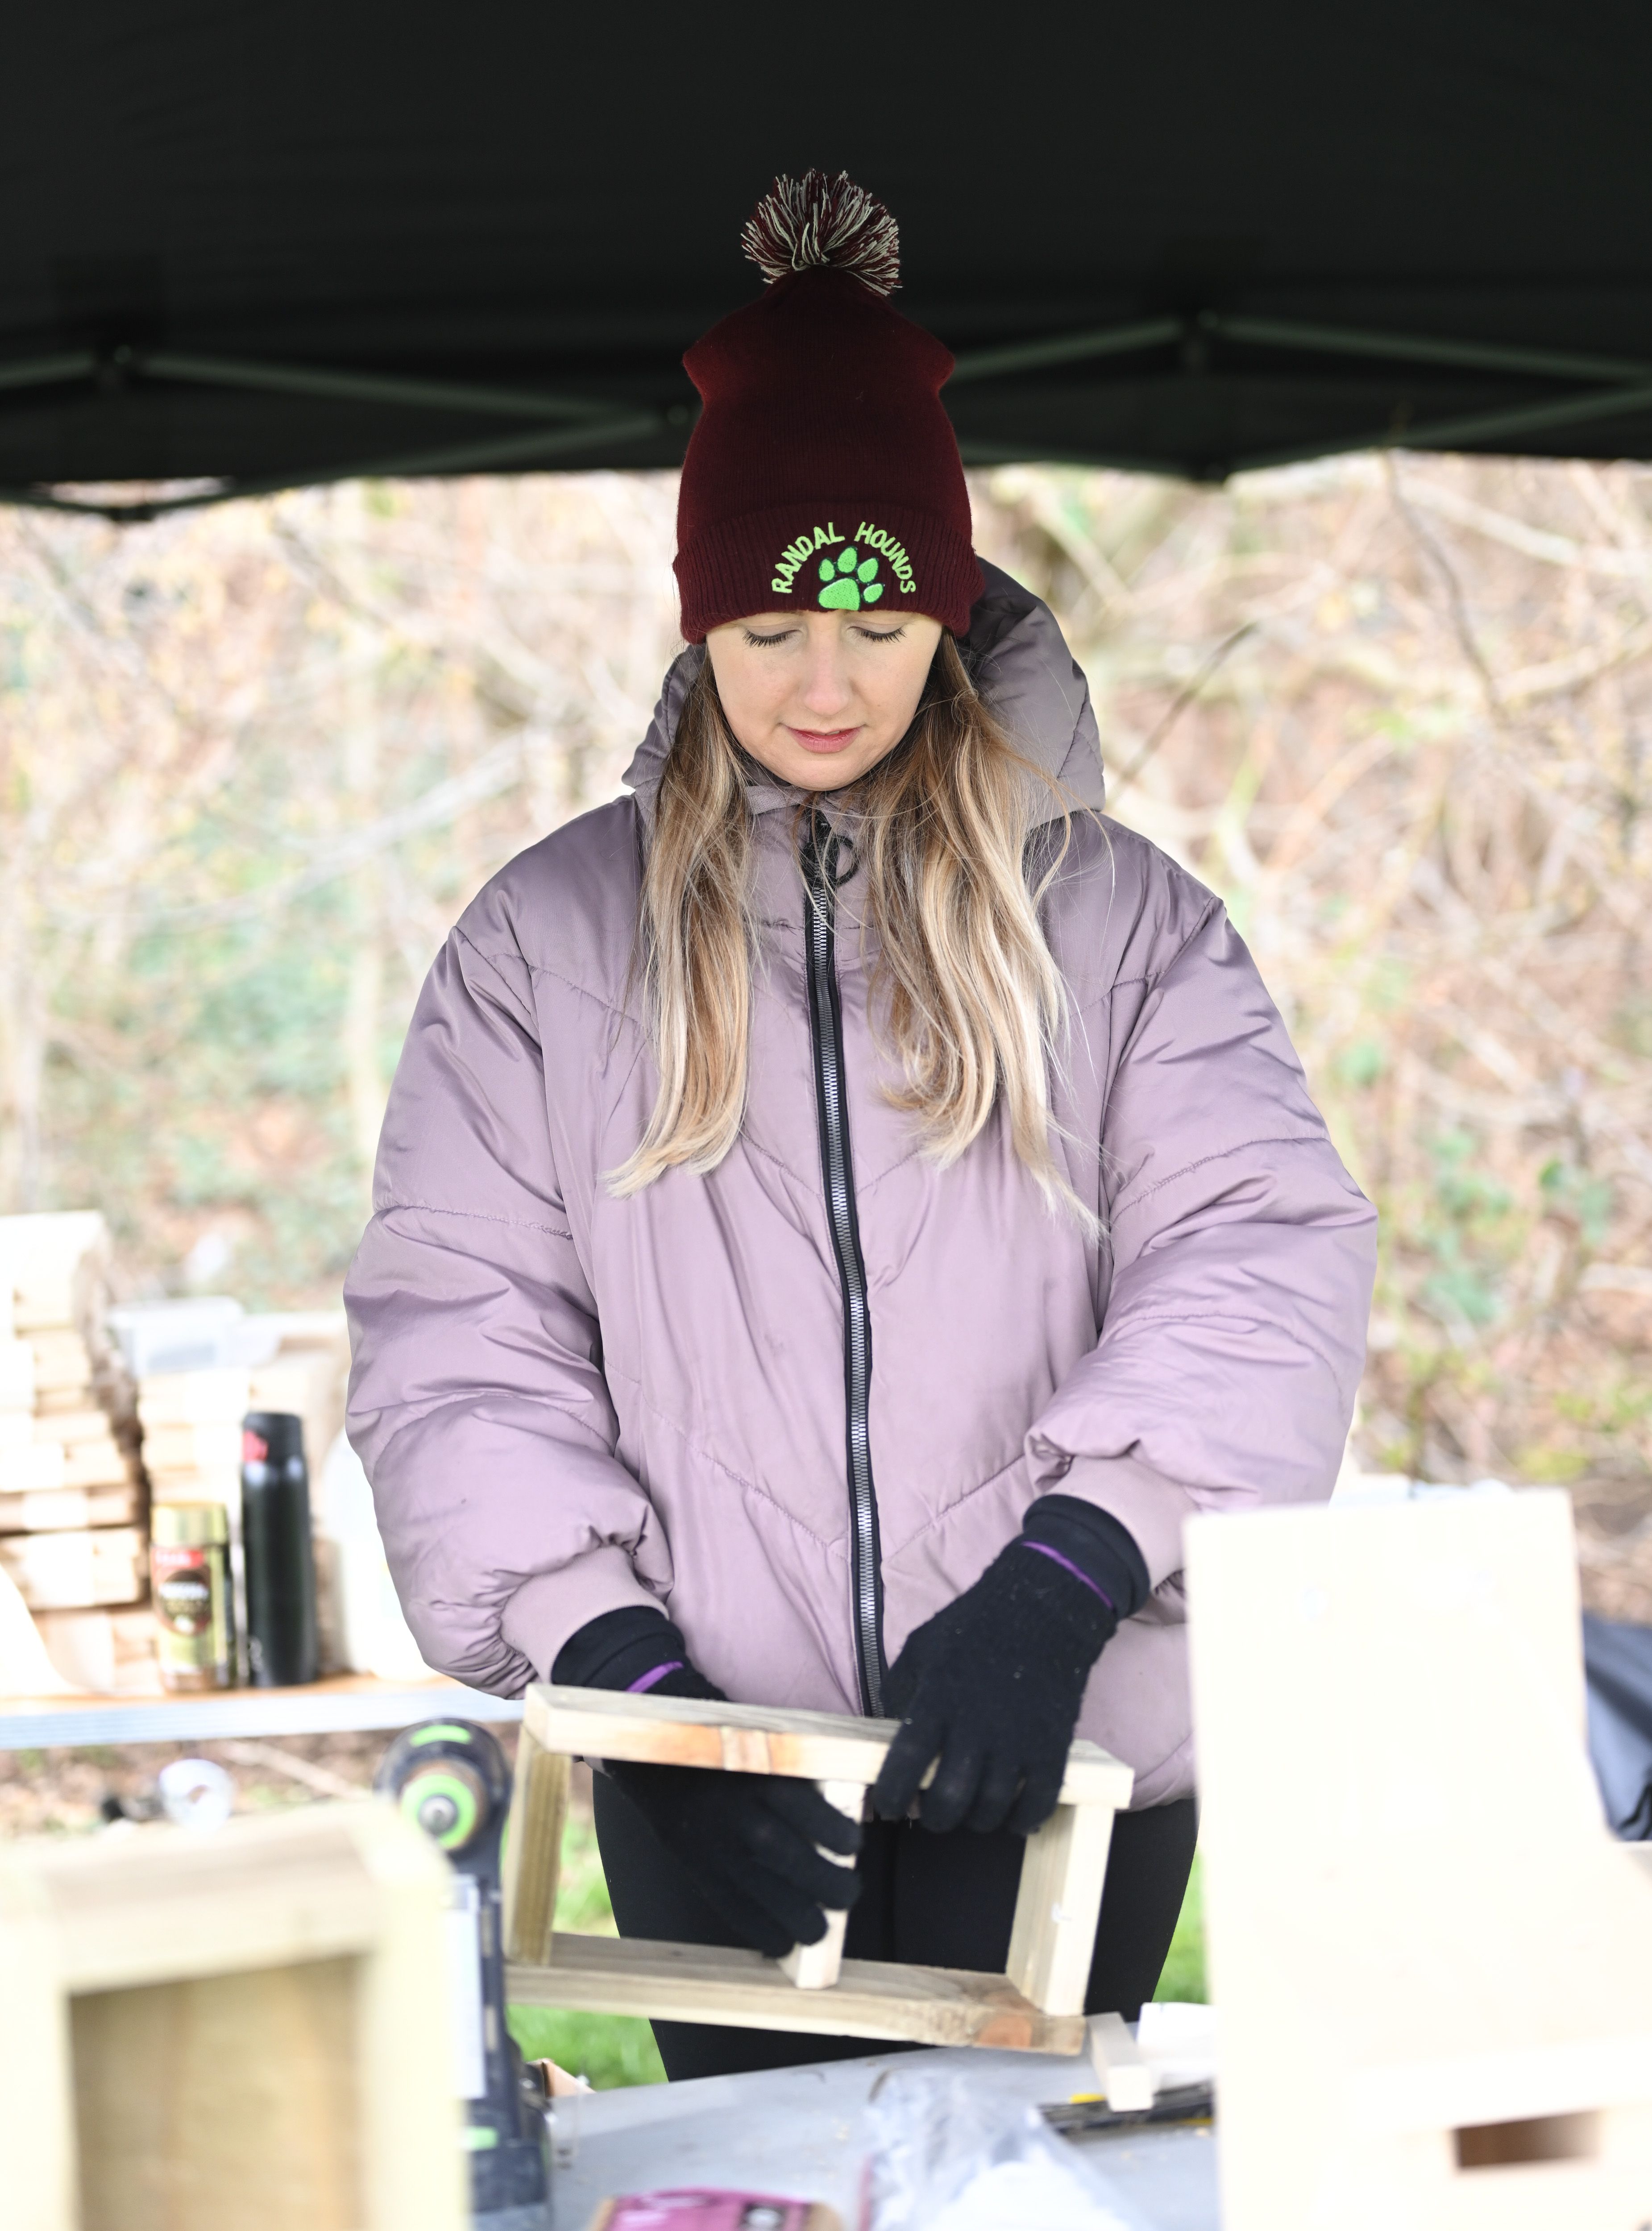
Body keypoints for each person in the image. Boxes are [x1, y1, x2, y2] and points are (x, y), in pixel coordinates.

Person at [345, 170, 1377, 2080]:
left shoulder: (1119, 921)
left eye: (876, 622)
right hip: (703, 1760)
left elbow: (1259, 1253)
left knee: (1032, 2202)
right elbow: (456, 1335)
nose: (823, 688)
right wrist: (621, 1672)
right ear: (696, 621)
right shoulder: (543, 947)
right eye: (764, 632)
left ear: (943, 601)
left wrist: (1064, 1580)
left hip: (1065, 1733)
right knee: (770, 2199)